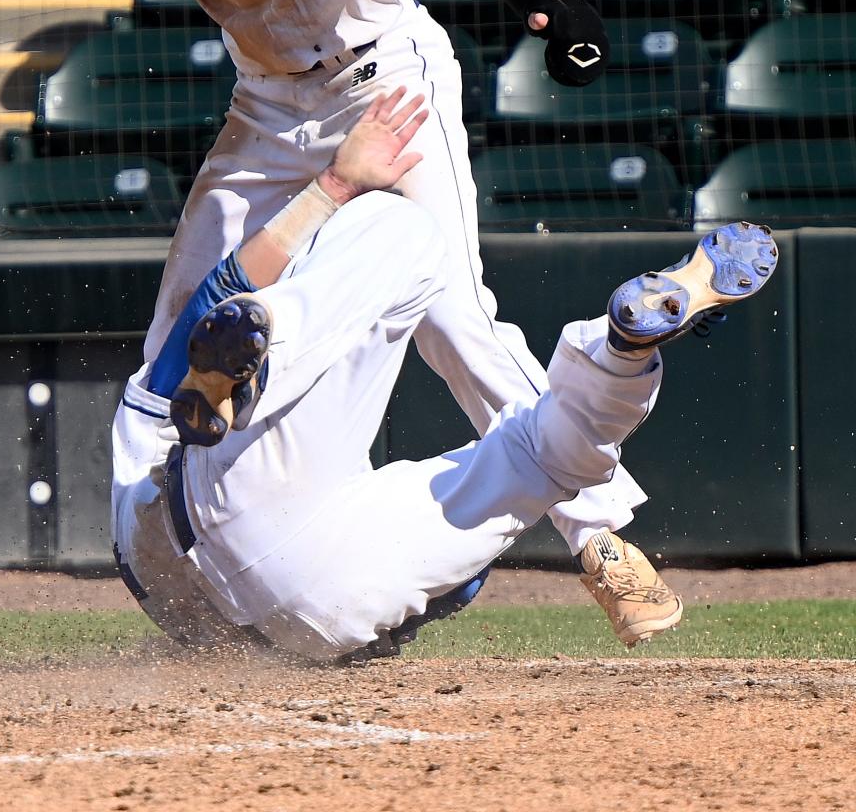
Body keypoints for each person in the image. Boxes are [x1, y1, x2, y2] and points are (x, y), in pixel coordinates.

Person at [0, 0, 672, 644]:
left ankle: (600, 531)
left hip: (375, 81)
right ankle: (173, 575)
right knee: (185, 316)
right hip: (266, 99)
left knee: (452, 320)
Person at [112, 87, 779, 661]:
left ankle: (267, 352)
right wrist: (341, 191)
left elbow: (213, 303)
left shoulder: (145, 435)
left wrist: (332, 189)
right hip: (315, 608)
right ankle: (622, 353)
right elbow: (450, 588)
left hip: (180, 529)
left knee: (354, 271)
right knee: (534, 448)